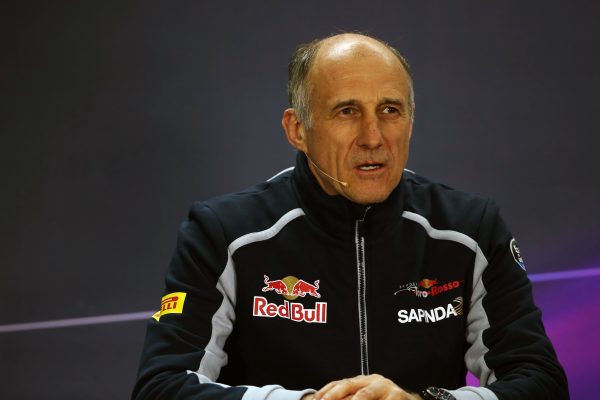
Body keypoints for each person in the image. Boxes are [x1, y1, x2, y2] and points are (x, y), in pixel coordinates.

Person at [132, 33, 568, 400]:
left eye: (390, 110)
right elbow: (162, 386)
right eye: (347, 111)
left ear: (411, 121)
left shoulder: (470, 229)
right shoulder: (223, 232)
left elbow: (541, 382)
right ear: (297, 130)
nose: (373, 137)